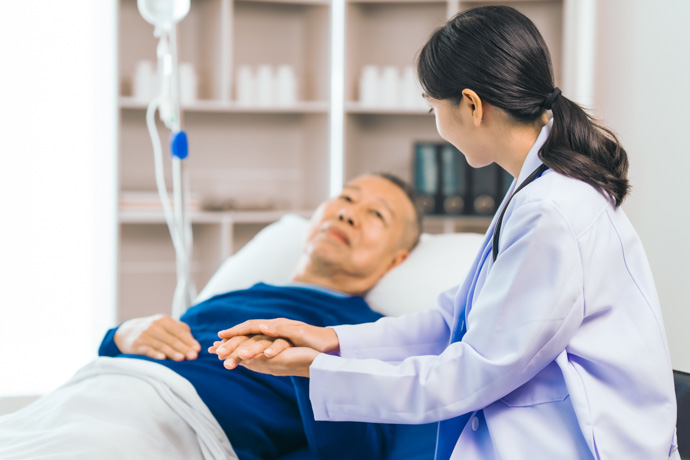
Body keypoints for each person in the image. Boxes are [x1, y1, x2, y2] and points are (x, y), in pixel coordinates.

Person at [212, 6, 680, 460]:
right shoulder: (539, 189)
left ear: (472, 105)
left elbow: (472, 371)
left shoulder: (551, 210)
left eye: (432, 105)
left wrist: (317, 370)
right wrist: (330, 339)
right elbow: (454, 320)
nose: (435, 122)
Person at [0, 173, 425, 460]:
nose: (348, 213)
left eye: (376, 215)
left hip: (178, 426)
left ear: (397, 259)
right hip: (84, 393)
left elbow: (359, 453)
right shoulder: (238, 295)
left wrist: (312, 369)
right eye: (346, 198)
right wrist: (124, 334)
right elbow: (163, 342)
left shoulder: (364, 336)